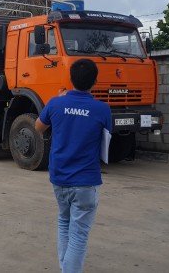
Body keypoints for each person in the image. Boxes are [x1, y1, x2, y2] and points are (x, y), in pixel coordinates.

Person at [35, 58, 112, 273]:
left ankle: (65, 269)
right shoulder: (102, 109)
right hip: (86, 181)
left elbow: (38, 127)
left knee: (63, 222)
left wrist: (61, 104)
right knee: (79, 233)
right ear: (95, 81)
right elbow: (106, 138)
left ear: (70, 79)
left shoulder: (55, 103)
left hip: (59, 178)